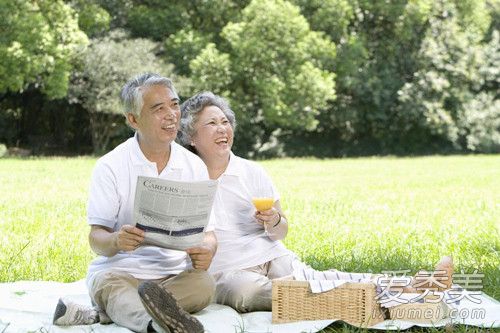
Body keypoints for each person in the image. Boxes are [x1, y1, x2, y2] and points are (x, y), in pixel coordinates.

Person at [178, 91, 454, 313]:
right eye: (211, 123)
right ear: (192, 137)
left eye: (225, 121)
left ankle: (412, 285)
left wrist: (274, 221)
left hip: (271, 256)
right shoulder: (186, 180)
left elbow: (282, 229)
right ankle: (387, 295)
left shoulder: (253, 171)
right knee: (246, 292)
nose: (222, 129)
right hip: (229, 271)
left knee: (312, 277)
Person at [53, 73, 217, 333]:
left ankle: (109, 313)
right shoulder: (110, 166)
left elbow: (208, 234)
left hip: (171, 277)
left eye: (174, 104)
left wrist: (207, 250)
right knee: (111, 286)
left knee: (205, 285)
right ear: (133, 119)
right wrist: (117, 240)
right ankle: (154, 324)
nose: (172, 114)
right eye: (158, 108)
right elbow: (96, 238)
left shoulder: (194, 165)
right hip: (121, 273)